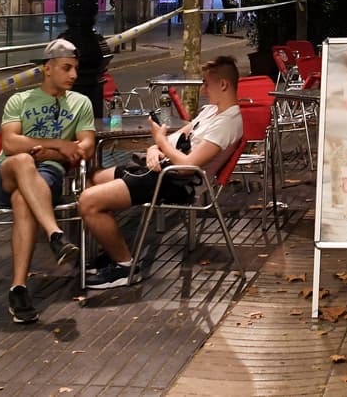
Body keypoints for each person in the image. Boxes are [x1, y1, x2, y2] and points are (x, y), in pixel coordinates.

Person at [79, 54, 245, 290]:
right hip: (162, 170)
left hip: (176, 182)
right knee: (92, 177)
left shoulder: (229, 122)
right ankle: (112, 250)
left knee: (88, 201)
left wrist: (160, 143)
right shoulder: (211, 111)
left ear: (223, 85)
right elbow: (173, 138)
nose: (204, 90)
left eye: (206, 84)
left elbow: (189, 166)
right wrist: (154, 148)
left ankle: (125, 267)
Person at [0, 37, 95, 324]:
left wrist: (52, 152)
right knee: (23, 160)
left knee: (23, 198)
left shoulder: (81, 103)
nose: (73, 75)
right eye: (66, 68)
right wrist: (59, 144)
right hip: (7, 173)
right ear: (48, 69)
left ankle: (19, 288)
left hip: (46, 176)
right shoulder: (20, 100)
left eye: (75, 68)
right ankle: (54, 234)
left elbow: (87, 146)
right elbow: (11, 143)